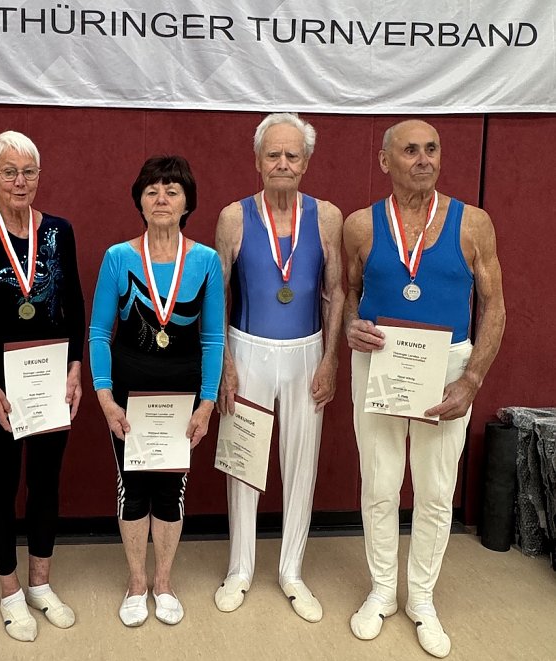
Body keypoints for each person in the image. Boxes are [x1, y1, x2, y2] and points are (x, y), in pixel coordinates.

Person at [344, 119, 505, 658]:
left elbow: (497, 308)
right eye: (409, 150)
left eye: (431, 149)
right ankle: (381, 591)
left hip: (448, 368)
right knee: (380, 484)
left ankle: (423, 599)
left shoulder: (472, 223)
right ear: (385, 161)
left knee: (436, 493)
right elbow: (347, 292)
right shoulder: (361, 225)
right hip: (380, 363)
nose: (423, 159)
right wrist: (348, 327)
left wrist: (473, 379)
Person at [0, 131, 84, 643]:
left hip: (52, 378)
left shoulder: (60, 230)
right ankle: (10, 593)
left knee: (46, 483)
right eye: (9, 172)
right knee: (3, 486)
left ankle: (40, 584)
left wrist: (75, 365)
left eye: (28, 171)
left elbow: (73, 299)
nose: (19, 181)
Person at [213, 113, 345, 621]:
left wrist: (331, 359)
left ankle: (292, 569)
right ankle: (240, 567)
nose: (283, 163)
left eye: (292, 155)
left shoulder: (327, 216)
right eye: (274, 155)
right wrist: (224, 361)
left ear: (306, 162)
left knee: (300, 462)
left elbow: (336, 293)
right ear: (257, 162)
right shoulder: (233, 217)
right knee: (243, 459)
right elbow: (218, 294)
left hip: (306, 351)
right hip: (248, 349)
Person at [89, 155, 224, 627]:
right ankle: (135, 583)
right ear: (139, 202)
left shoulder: (206, 261)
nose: (161, 198)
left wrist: (207, 404)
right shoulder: (118, 257)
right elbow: (99, 334)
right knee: (132, 490)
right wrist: (105, 400)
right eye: (152, 191)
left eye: (172, 189)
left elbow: (213, 338)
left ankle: (163, 582)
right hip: (128, 394)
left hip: (183, 397)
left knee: (171, 491)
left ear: (188, 201)